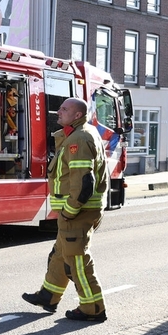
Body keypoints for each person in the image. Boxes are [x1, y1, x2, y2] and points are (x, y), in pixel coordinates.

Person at [22, 97, 109, 322]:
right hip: (79, 212)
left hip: (78, 213)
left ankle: (92, 308)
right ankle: (48, 295)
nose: (58, 112)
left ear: (77, 115)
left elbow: (84, 183)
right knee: (61, 254)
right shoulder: (81, 133)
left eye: (64, 109)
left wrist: (69, 211)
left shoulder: (79, 138)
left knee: (77, 261)